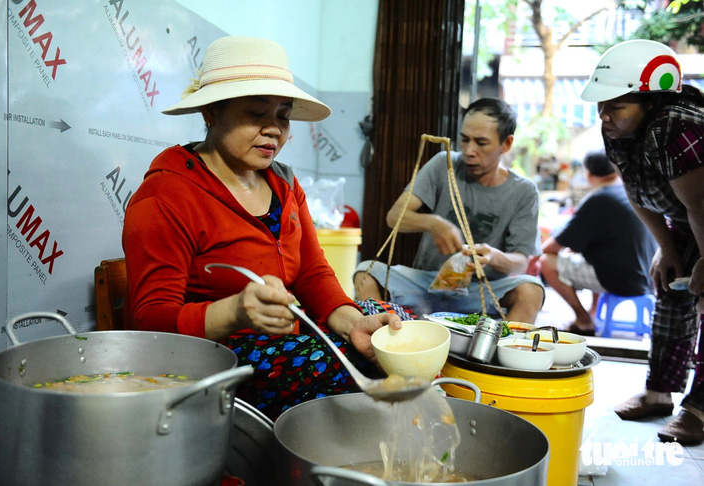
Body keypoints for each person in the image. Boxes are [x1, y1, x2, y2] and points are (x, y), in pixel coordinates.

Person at [122, 36, 402, 420]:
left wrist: (354, 323)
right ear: (210, 112)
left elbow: (312, 273)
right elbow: (151, 323)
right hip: (214, 361)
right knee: (337, 363)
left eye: (283, 116)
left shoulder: (284, 183)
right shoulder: (166, 196)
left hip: (284, 338)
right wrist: (235, 311)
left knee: (394, 331)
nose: (274, 130)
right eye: (256, 113)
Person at [580, 39, 704, 445]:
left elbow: (701, 202)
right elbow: (636, 189)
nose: (604, 115)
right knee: (670, 287)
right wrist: (666, 249)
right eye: (601, 105)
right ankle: (658, 394)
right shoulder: (619, 132)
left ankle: (699, 409)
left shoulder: (678, 127)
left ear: (651, 101)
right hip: (689, 221)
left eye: (615, 106)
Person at [354, 98, 545, 323]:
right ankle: (380, 349)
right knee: (365, 274)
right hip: (426, 283)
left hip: (480, 290)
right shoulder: (444, 164)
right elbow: (394, 217)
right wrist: (434, 223)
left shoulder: (523, 191)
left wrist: (492, 256)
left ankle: (502, 353)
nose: (469, 151)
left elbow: (520, 261)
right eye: (464, 140)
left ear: (507, 144)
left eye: (481, 143)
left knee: (532, 291)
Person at [536, 151, 658, 336]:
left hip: (624, 280)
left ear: (588, 174)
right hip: (649, 278)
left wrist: (532, 256)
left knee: (546, 261)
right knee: (593, 252)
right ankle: (592, 313)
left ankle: (584, 320)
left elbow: (553, 246)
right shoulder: (628, 191)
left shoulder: (599, 198)